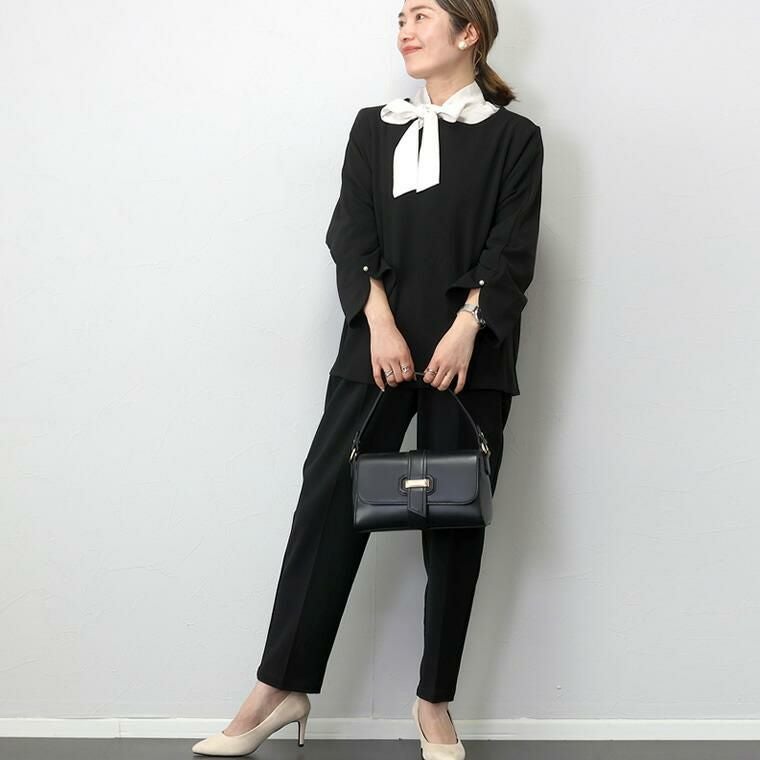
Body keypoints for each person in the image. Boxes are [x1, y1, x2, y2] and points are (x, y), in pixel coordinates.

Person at [191, 0, 543, 757]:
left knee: (453, 520)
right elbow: (350, 230)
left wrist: (466, 327)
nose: (405, 30)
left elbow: (512, 248)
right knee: (326, 503)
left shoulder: (514, 138)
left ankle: (434, 703)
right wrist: (379, 321)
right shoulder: (373, 127)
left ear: (470, 33)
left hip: (467, 354)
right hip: (376, 347)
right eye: (400, 19)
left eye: (421, 15)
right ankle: (280, 687)